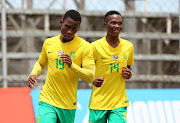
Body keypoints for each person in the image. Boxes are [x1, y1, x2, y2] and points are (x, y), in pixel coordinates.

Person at [27, 10, 95, 123]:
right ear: (61, 22)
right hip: (48, 99)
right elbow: (41, 63)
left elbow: (90, 76)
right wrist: (33, 74)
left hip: (68, 104)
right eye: (67, 27)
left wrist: (72, 65)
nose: (69, 31)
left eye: (74, 29)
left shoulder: (85, 47)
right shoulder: (49, 43)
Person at [89, 10, 134, 123]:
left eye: (119, 23)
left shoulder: (128, 46)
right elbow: (85, 69)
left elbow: (128, 68)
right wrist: (92, 79)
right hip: (98, 102)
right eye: (113, 23)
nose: (117, 26)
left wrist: (129, 74)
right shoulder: (95, 46)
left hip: (119, 102)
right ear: (105, 24)